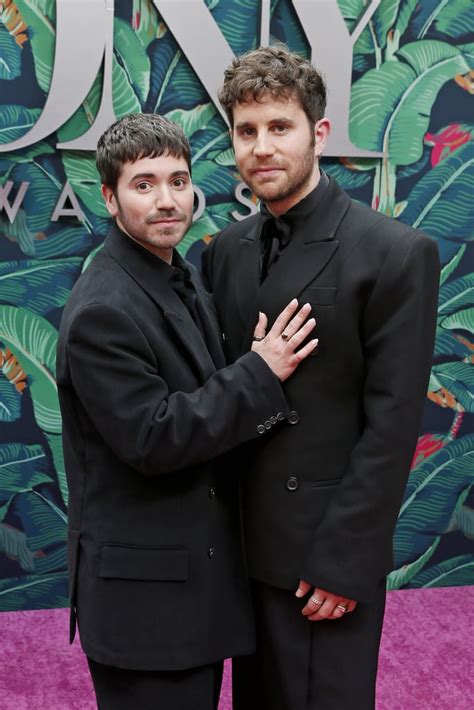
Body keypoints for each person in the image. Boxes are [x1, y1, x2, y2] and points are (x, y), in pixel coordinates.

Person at [202, 46, 440, 709]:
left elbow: (393, 427)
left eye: (280, 127)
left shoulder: (395, 253)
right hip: (241, 556)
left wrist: (345, 562)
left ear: (319, 133)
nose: (262, 148)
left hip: (321, 560)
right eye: (246, 132)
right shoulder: (223, 252)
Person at [56, 112, 318, 710]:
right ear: (109, 198)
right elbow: (155, 439)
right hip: (146, 605)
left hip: (190, 591)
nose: (167, 200)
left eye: (178, 180)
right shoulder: (104, 310)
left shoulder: (178, 274)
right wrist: (261, 370)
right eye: (144, 185)